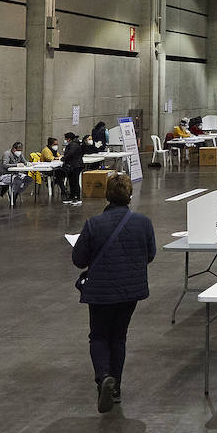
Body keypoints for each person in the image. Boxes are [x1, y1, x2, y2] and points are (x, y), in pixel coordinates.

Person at [71, 173, 156, 413]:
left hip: (100, 291)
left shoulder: (93, 224)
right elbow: (150, 255)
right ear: (129, 195)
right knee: (119, 337)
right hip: (130, 291)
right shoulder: (143, 222)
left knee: (98, 336)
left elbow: (78, 260)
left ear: (107, 195)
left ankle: (103, 378)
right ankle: (116, 387)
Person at [54, 131, 85, 203]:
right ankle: (72, 196)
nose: (65, 140)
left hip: (75, 165)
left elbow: (70, 154)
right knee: (71, 181)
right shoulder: (75, 144)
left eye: (66, 139)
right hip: (74, 165)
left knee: (74, 181)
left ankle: (77, 197)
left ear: (69, 139)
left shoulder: (73, 145)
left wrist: (63, 158)